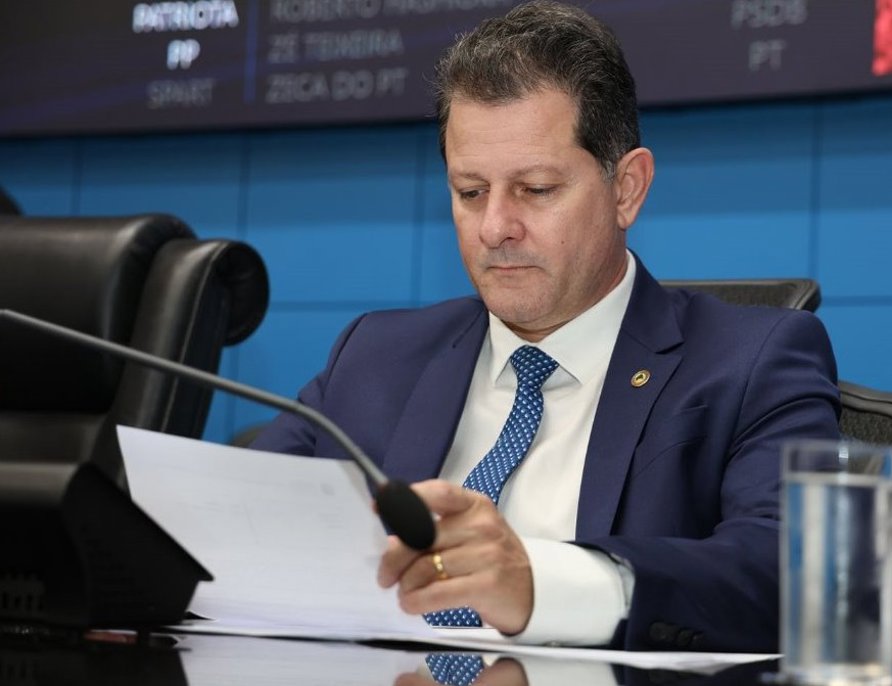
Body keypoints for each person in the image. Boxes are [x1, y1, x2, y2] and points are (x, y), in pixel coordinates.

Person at [252, 0, 839, 652]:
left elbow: (798, 571)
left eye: (535, 189)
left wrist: (544, 582)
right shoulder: (376, 355)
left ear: (627, 189)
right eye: (470, 191)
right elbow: (235, 516)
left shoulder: (750, 363)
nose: (494, 228)